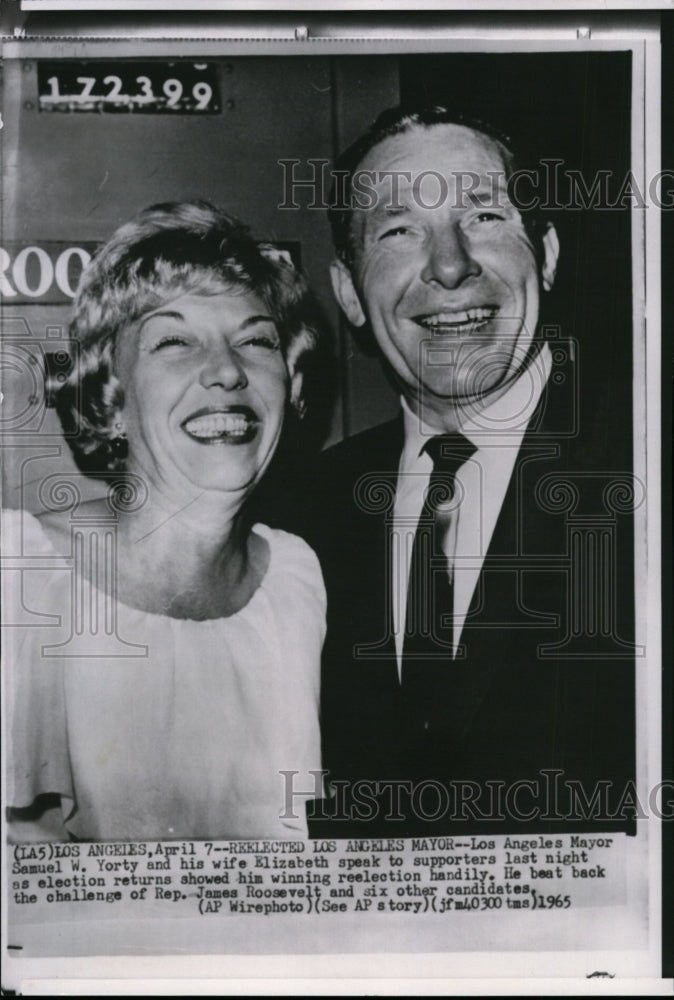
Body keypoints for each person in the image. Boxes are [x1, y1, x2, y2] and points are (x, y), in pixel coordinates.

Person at [294, 105, 636, 835]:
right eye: (398, 231)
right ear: (350, 291)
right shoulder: (303, 517)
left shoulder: (643, 465)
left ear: (544, 252)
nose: (449, 265)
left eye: (482, 217)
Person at [4, 200, 327, 843]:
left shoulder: (296, 577)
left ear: (289, 388)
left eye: (256, 339)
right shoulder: (23, 573)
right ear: (111, 398)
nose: (228, 372)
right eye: (174, 341)